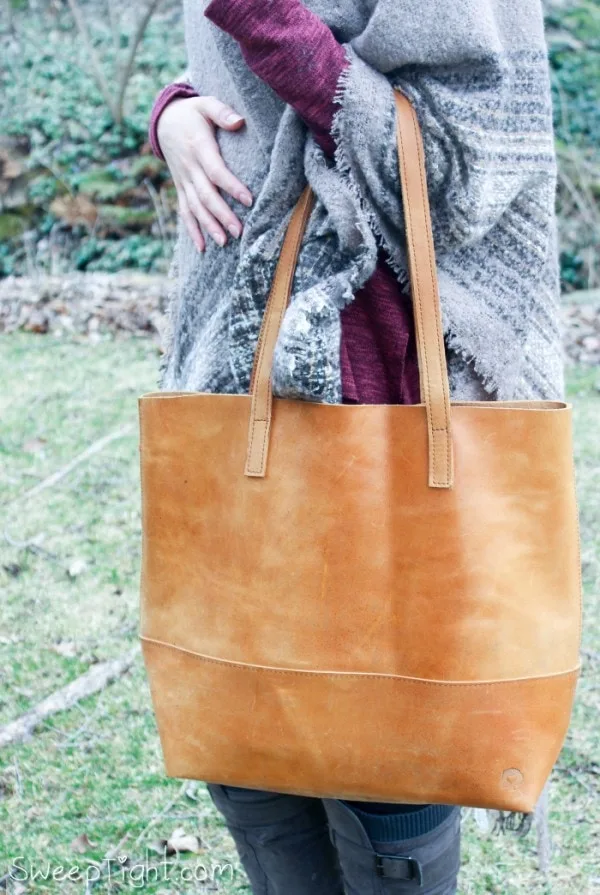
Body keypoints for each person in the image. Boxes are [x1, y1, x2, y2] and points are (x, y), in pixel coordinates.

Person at [146, 0, 562, 891]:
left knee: (390, 783)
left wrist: (260, 17)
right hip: (235, 396)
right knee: (250, 767)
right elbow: (238, 99)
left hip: (398, 396)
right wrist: (176, 109)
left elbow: (459, 170)